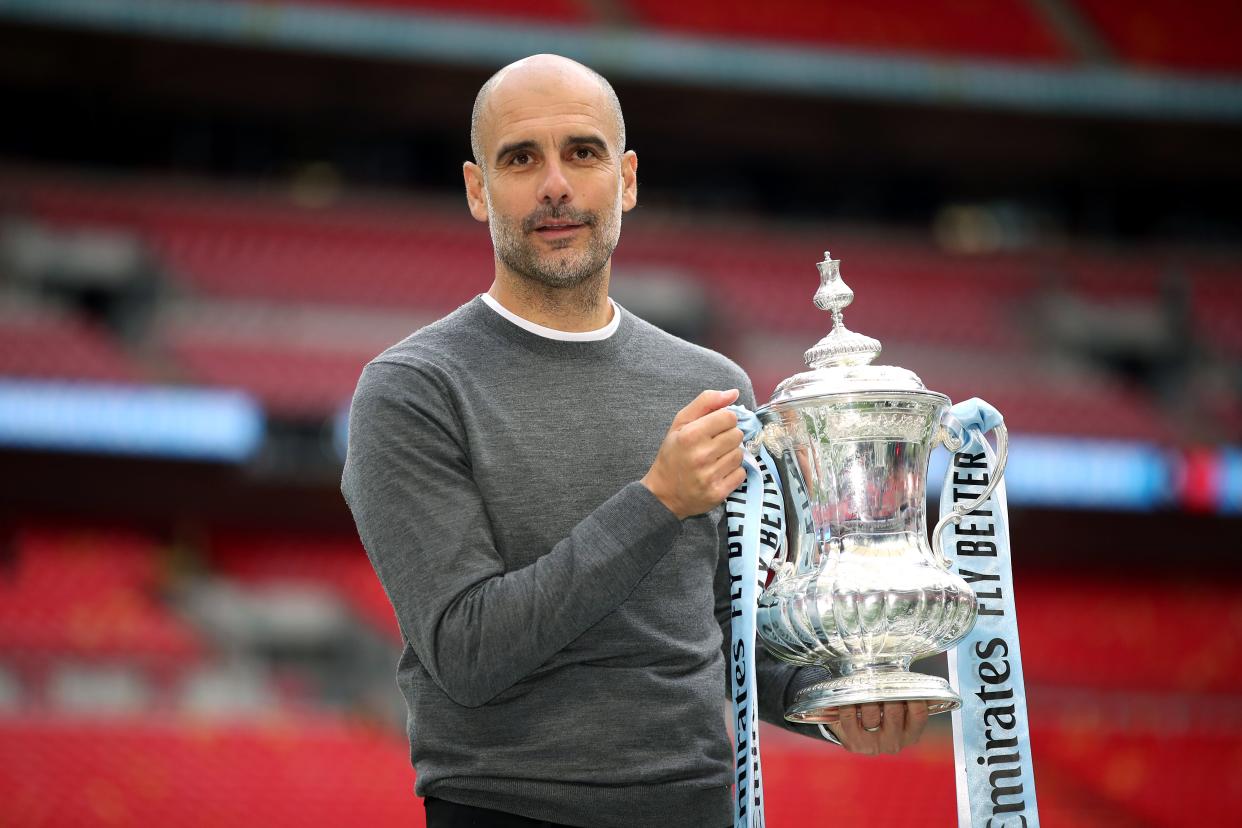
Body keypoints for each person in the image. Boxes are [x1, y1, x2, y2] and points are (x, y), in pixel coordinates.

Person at [341, 54, 928, 828]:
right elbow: (467, 651)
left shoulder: (712, 385)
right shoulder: (413, 389)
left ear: (627, 180)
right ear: (479, 191)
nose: (556, 184)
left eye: (582, 152)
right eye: (522, 158)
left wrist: (838, 694)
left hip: (696, 806)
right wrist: (656, 504)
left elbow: (724, 623)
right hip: (506, 810)